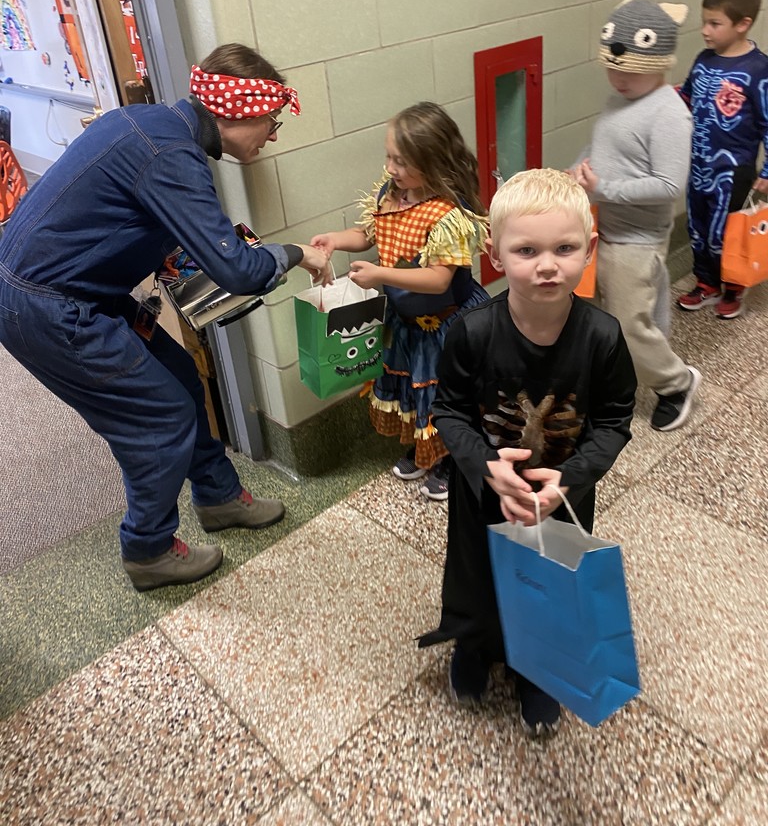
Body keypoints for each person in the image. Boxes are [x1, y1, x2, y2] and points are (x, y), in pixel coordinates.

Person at [0, 43, 331, 591]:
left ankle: (219, 497)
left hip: (70, 288)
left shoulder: (152, 125)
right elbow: (240, 270)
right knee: (160, 418)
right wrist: (297, 253)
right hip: (49, 307)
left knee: (180, 376)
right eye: (271, 121)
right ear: (236, 111)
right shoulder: (171, 155)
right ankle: (148, 550)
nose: (272, 135)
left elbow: (120, 219)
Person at [418, 168, 636, 737]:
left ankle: (540, 670)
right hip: (484, 488)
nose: (547, 265)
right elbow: (450, 411)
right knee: (477, 575)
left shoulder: (603, 338)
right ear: (494, 253)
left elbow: (614, 421)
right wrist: (486, 466)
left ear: (589, 248)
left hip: (560, 493)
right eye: (526, 250)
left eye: (564, 249)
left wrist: (570, 479)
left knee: (552, 580)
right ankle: (473, 643)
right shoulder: (471, 333)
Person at [310, 101, 489, 500]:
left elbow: (439, 280)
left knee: (445, 392)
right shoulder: (392, 193)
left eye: (401, 161)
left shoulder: (447, 214)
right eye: (389, 156)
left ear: (433, 161)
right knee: (414, 387)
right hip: (408, 323)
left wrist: (380, 275)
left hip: (446, 323)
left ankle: (452, 460)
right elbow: (370, 234)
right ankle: (427, 448)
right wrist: (336, 239)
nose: (390, 167)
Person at [571, 0, 702, 432]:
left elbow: (669, 185)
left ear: (659, 63)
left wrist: (603, 188)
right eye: (613, 69)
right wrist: (577, 169)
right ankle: (607, 383)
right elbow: (601, 146)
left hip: (636, 241)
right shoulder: (619, 99)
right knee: (595, 318)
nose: (619, 79)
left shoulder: (669, 114)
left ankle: (676, 383)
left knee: (630, 326)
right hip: (601, 229)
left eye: (630, 71)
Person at [675, 0, 768, 320]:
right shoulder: (703, 59)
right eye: (704, 22)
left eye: (715, 24)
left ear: (743, 24)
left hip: (734, 170)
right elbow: (685, 97)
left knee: (726, 231)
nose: (705, 30)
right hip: (698, 163)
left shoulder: (758, 69)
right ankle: (707, 283)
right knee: (698, 227)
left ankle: (733, 287)